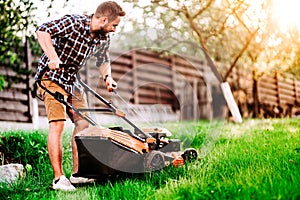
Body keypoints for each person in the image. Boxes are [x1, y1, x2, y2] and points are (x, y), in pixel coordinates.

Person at [34, 1, 126, 191]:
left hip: (72, 81)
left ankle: (77, 175)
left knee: (83, 124)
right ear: (103, 19)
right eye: (114, 25)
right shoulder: (74, 23)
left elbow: (103, 59)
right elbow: (42, 30)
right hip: (51, 77)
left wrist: (108, 77)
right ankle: (58, 179)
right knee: (57, 125)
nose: (114, 30)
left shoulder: (102, 38)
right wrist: (52, 56)